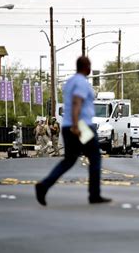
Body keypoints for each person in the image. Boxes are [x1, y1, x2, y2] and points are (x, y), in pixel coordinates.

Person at [35, 56, 111, 205]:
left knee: (69, 160)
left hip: (66, 125)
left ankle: (43, 186)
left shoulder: (70, 82)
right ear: (86, 66)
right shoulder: (82, 82)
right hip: (81, 125)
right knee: (95, 157)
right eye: (89, 65)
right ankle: (94, 195)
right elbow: (77, 102)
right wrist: (76, 125)